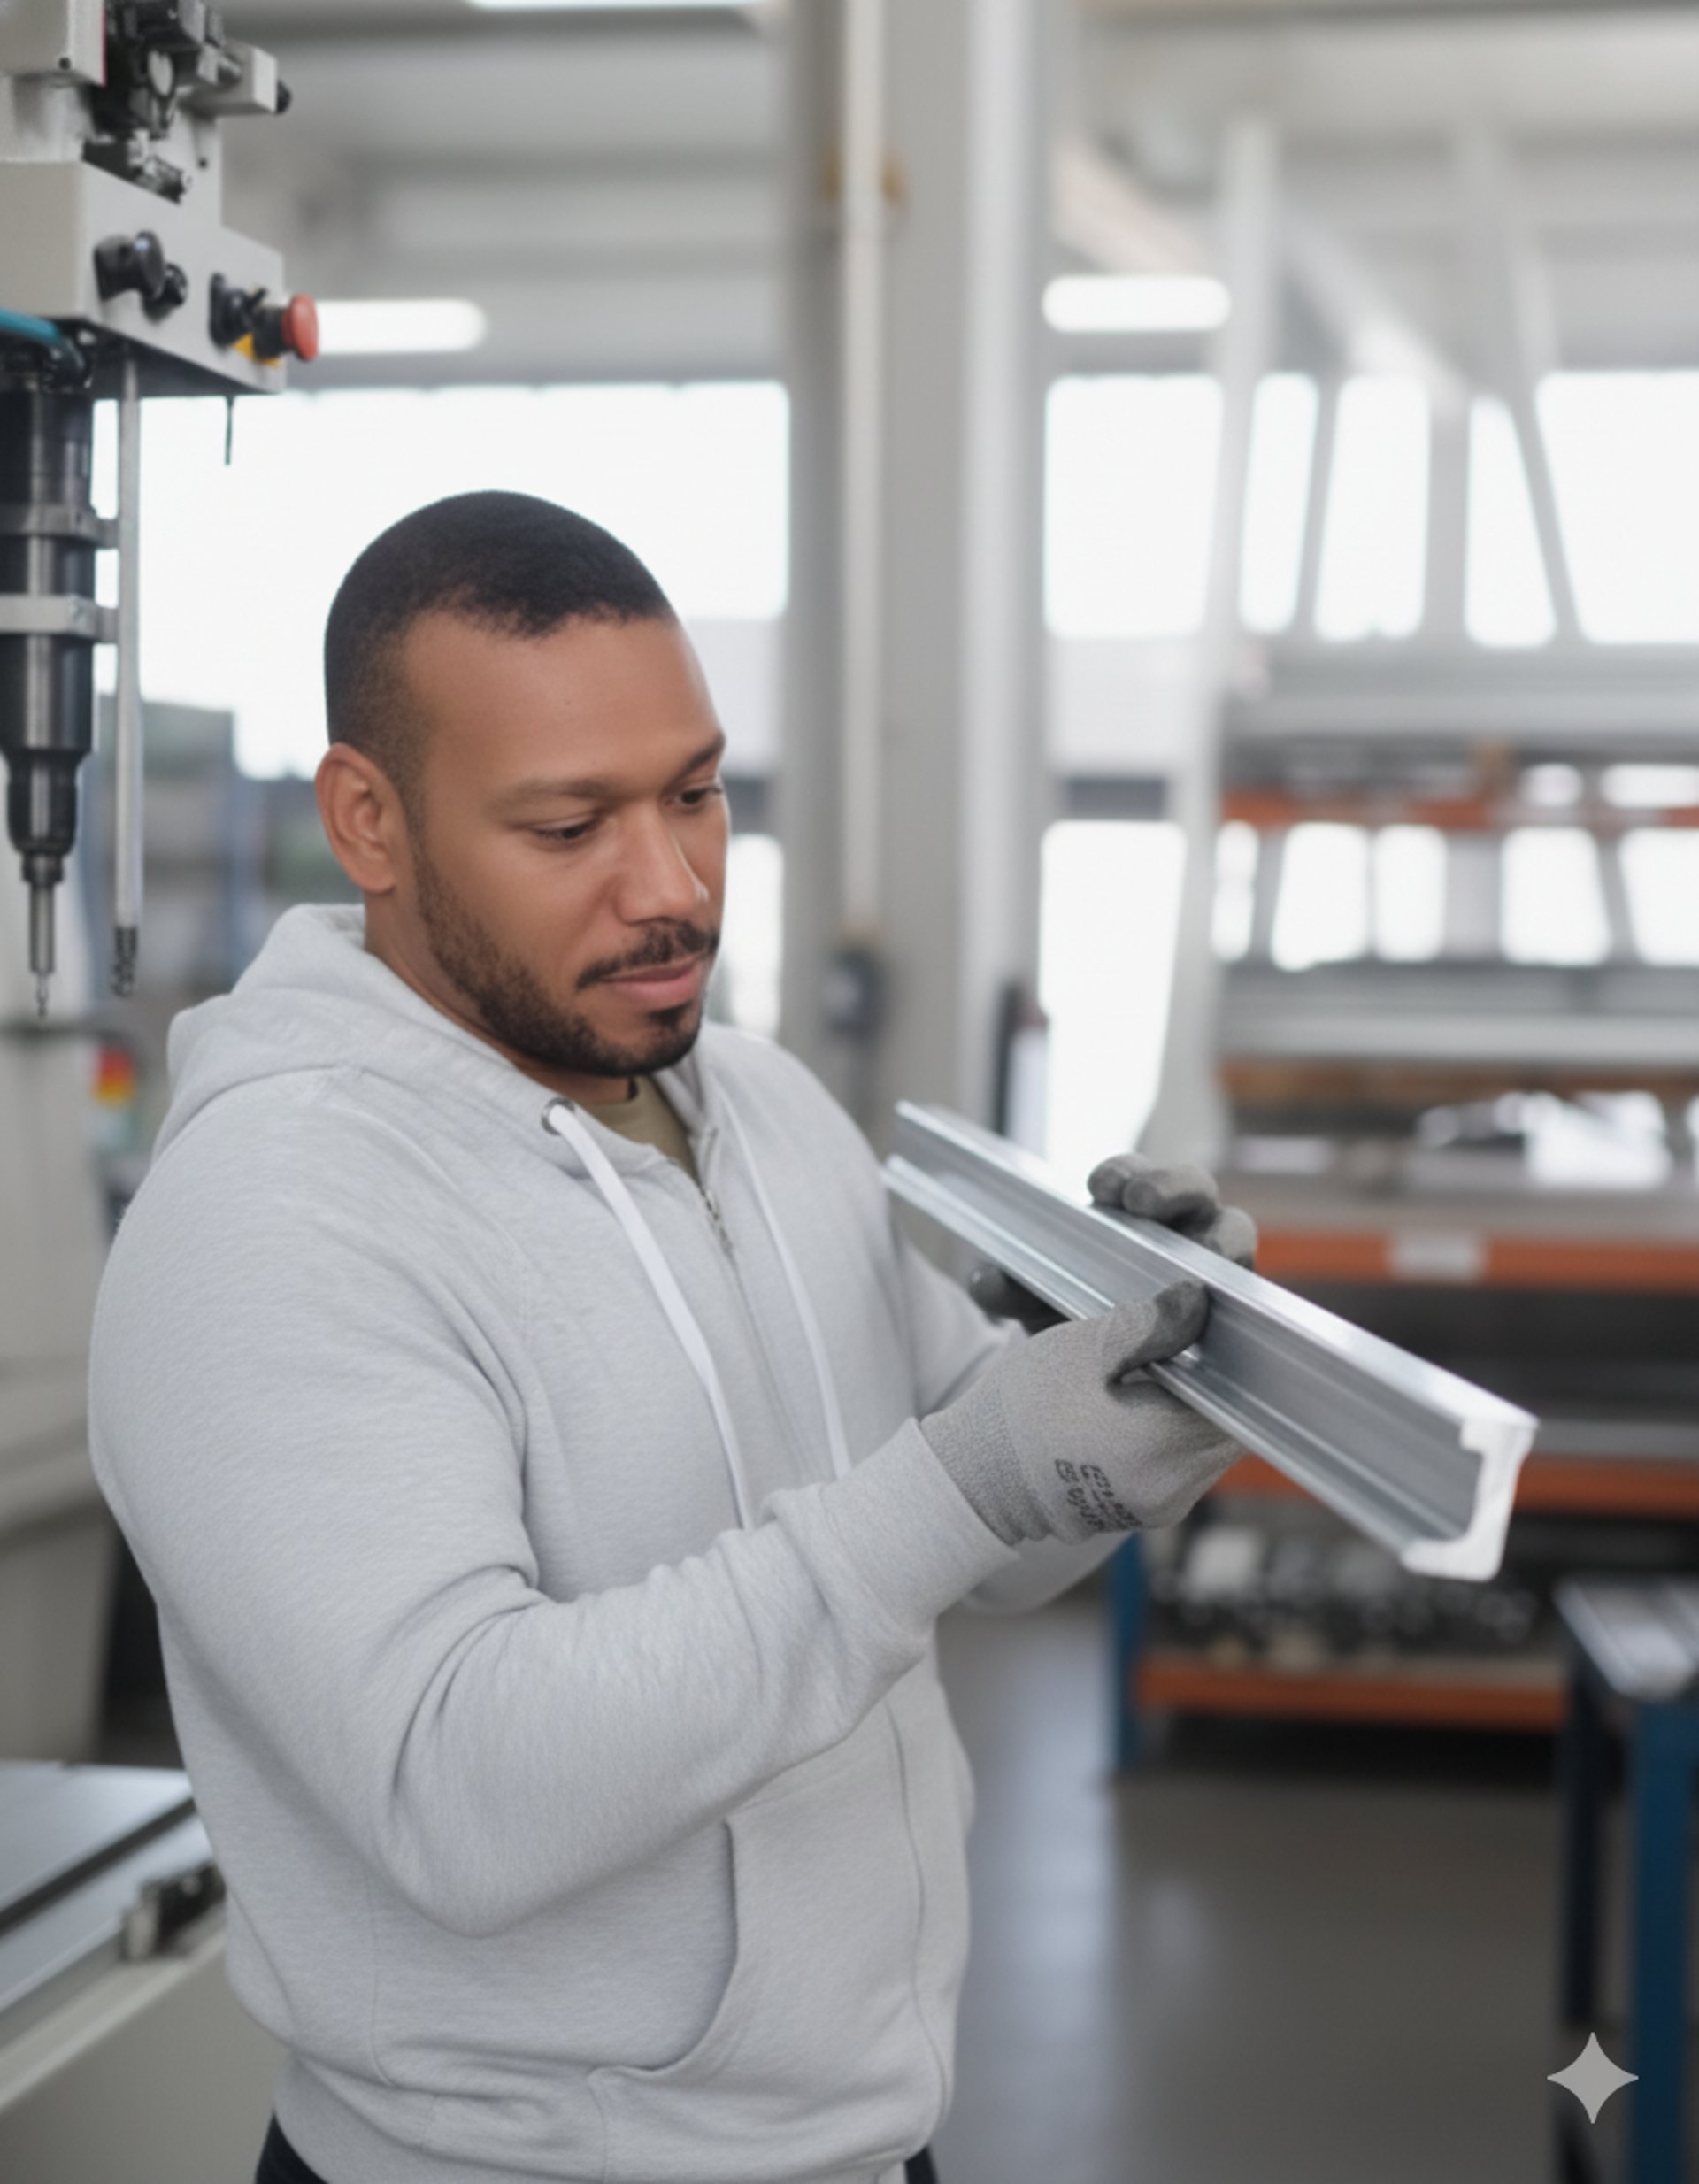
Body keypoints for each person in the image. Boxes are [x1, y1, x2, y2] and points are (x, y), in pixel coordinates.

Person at [89, 492, 1254, 2184]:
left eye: (697, 794)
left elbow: (968, 1527)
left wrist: (1135, 1403)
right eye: (570, 829)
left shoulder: (755, 1100)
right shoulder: (279, 1213)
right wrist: (974, 1474)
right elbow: (459, 1790)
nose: (675, 888)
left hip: (864, 2144)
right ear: (371, 821)